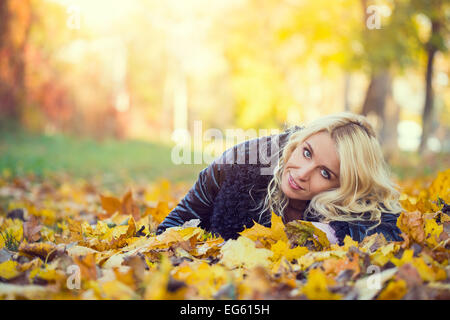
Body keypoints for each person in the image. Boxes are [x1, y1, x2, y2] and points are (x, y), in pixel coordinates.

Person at [156, 112, 404, 245]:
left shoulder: (351, 202)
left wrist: (331, 232)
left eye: (325, 173)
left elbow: (389, 228)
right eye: (307, 152)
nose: (303, 173)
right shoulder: (240, 163)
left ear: (344, 187)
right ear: (297, 143)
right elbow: (168, 231)